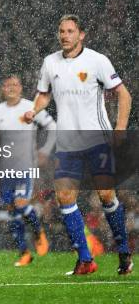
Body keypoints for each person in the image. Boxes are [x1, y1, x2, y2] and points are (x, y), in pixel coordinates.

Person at [24, 15, 133, 275]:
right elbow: (44, 93)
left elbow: (123, 94)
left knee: (106, 195)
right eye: (61, 31)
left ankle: (124, 253)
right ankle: (86, 259)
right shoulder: (50, 62)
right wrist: (34, 110)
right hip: (67, 143)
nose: (65, 36)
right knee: (64, 197)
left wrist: (120, 128)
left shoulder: (97, 61)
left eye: (70, 31)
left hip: (98, 140)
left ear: (81, 34)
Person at [0, 75, 56, 266]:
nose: (11, 88)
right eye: (7, 85)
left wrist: (45, 151)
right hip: (5, 167)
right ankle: (24, 253)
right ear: (3, 89)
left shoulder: (31, 107)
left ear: (21, 88)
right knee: (12, 210)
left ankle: (38, 232)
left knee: (21, 204)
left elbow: (53, 127)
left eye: (15, 85)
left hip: (25, 166)